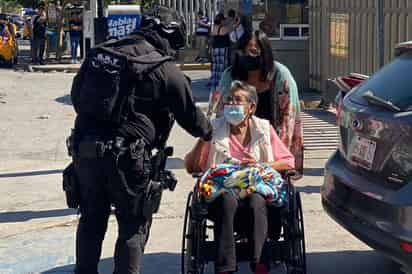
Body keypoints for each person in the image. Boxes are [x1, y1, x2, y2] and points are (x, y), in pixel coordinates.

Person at [69, 15, 213, 274]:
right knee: (133, 226)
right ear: (168, 36)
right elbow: (191, 118)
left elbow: (76, 97)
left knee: (91, 219)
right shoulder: (162, 67)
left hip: (85, 152)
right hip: (127, 159)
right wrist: (210, 132)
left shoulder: (101, 54)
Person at [185, 80, 295, 274]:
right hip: (222, 193)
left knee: (256, 199)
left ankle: (259, 261)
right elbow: (192, 166)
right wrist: (203, 140)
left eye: (237, 100)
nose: (231, 104)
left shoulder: (263, 129)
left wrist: (262, 165)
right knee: (227, 199)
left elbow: (288, 162)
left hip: (256, 191)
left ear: (251, 107)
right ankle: (225, 267)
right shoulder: (214, 127)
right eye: (229, 100)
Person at [215, 30, 304, 177]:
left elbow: (287, 124)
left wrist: (271, 163)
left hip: (271, 142)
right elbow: (220, 113)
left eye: (253, 51)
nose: (248, 56)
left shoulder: (281, 77)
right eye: (243, 51)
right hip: (236, 146)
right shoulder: (230, 75)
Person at [209, 13, 231, 93]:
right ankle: (221, 86)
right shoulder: (224, 28)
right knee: (222, 68)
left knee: (215, 68)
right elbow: (232, 29)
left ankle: (214, 87)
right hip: (223, 48)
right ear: (221, 20)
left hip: (214, 49)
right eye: (224, 19)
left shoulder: (214, 27)